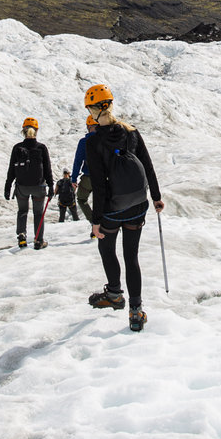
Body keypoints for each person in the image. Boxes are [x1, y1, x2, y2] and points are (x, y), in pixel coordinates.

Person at [80, 84, 162, 332]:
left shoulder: (93, 143)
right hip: (138, 206)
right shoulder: (132, 132)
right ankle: (135, 311)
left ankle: (115, 294)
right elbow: (147, 166)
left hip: (112, 210)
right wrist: (156, 197)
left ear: (93, 111)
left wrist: (95, 221)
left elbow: (99, 186)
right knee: (131, 257)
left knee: (107, 249)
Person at [4, 118, 52, 250]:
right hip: (39, 187)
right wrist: (51, 186)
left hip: (22, 187)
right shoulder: (41, 148)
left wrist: (8, 186)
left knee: (22, 211)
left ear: (23, 131)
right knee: (38, 213)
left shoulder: (17, 148)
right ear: (36, 131)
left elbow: (11, 169)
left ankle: (21, 236)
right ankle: (38, 241)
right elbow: (47, 169)